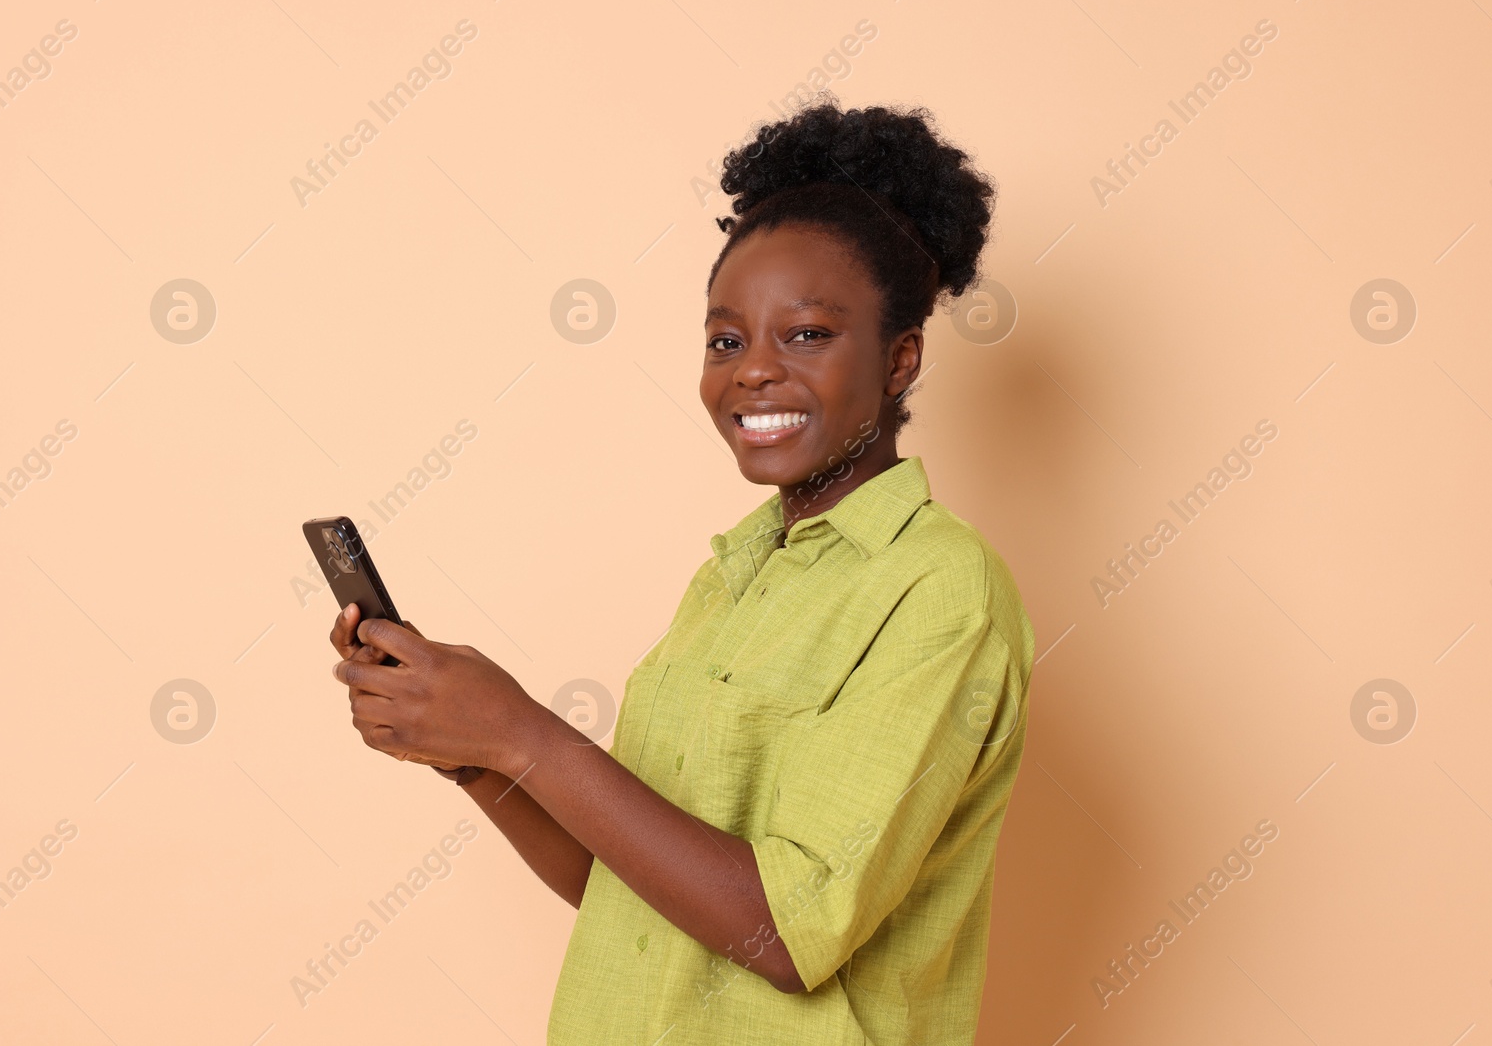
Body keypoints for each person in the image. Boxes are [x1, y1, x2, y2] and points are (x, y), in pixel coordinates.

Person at [327, 96, 1035, 1045]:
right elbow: (626, 888)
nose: (752, 370)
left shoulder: (942, 591)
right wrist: (471, 752)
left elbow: (786, 932)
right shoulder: (733, 576)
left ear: (900, 358)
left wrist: (525, 731)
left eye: (809, 334)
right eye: (726, 340)